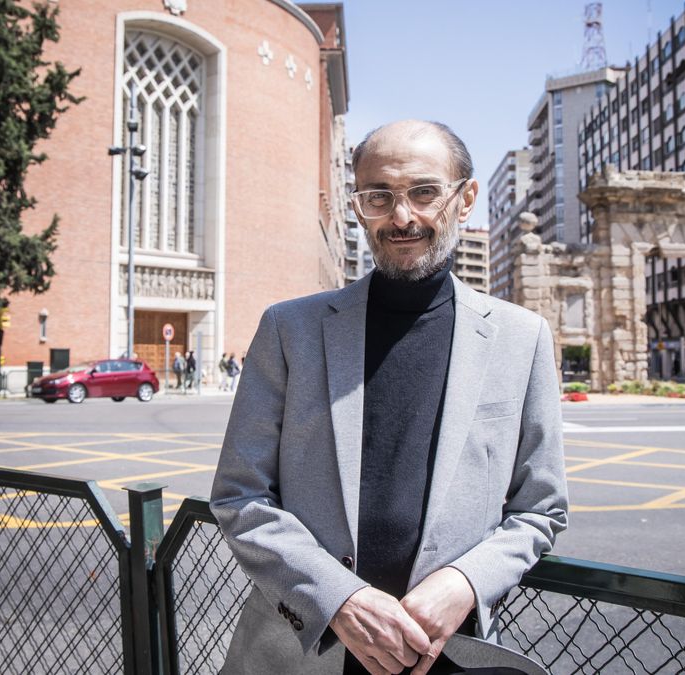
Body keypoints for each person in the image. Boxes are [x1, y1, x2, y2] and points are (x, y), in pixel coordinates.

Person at [210, 120, 567, 675]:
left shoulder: (523, 338)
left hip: (443, 650)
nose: (402, 218)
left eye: (424, 193)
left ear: (465, 198)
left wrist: (465, 582)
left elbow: (540, 510)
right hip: (307, 651)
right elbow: (240, 496)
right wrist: (339, 599)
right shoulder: (289, 329)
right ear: (358, 207)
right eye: (380, 197)